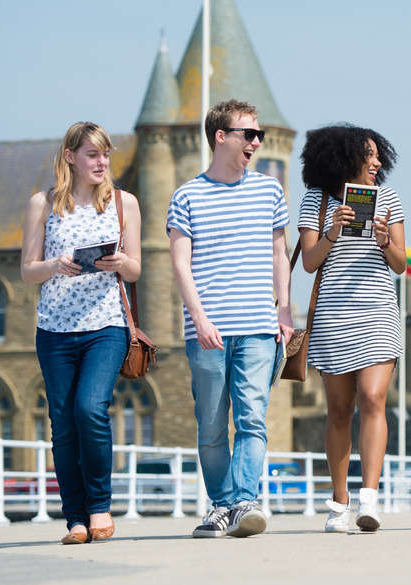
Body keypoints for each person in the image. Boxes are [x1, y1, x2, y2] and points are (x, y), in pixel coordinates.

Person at [167, 99, 293, 538]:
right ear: (221, 137)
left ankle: (243, 502)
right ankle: (220, 505)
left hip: (258, 326)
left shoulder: (269, 191)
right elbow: (180, 264)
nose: (256, 142)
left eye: (258, 135)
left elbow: (280, 253)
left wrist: (285, 311)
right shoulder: (186, 196)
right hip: (207, 329)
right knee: (211, 423)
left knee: (253, 417)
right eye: (248, 134)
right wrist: (198, 318)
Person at [20, 121, 142, 544]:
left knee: (90, 409)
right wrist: (56, 264)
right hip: (53, 331)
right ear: (70, 157)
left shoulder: (124, 203)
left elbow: (137, 268)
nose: (102, 162)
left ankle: (99, 507)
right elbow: (27, 271)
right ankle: (74, 518)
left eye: (105, 154)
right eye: (92, 154)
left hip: (105, 326)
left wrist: (119, 263)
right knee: (63, 423)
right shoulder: (43, 204)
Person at [297, 124, 406, 533]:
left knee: (373, 398)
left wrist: (384, 241)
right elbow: (309, 262)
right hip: (333, 316)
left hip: (377, 311)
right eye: (370, 154)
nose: (377, 162)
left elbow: (399, 264)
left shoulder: (389, 199)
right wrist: (332, 232)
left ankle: (369, 499)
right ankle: (339, 503)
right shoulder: (317, 200)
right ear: (345, 159)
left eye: (380, 155)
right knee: (339, 411)